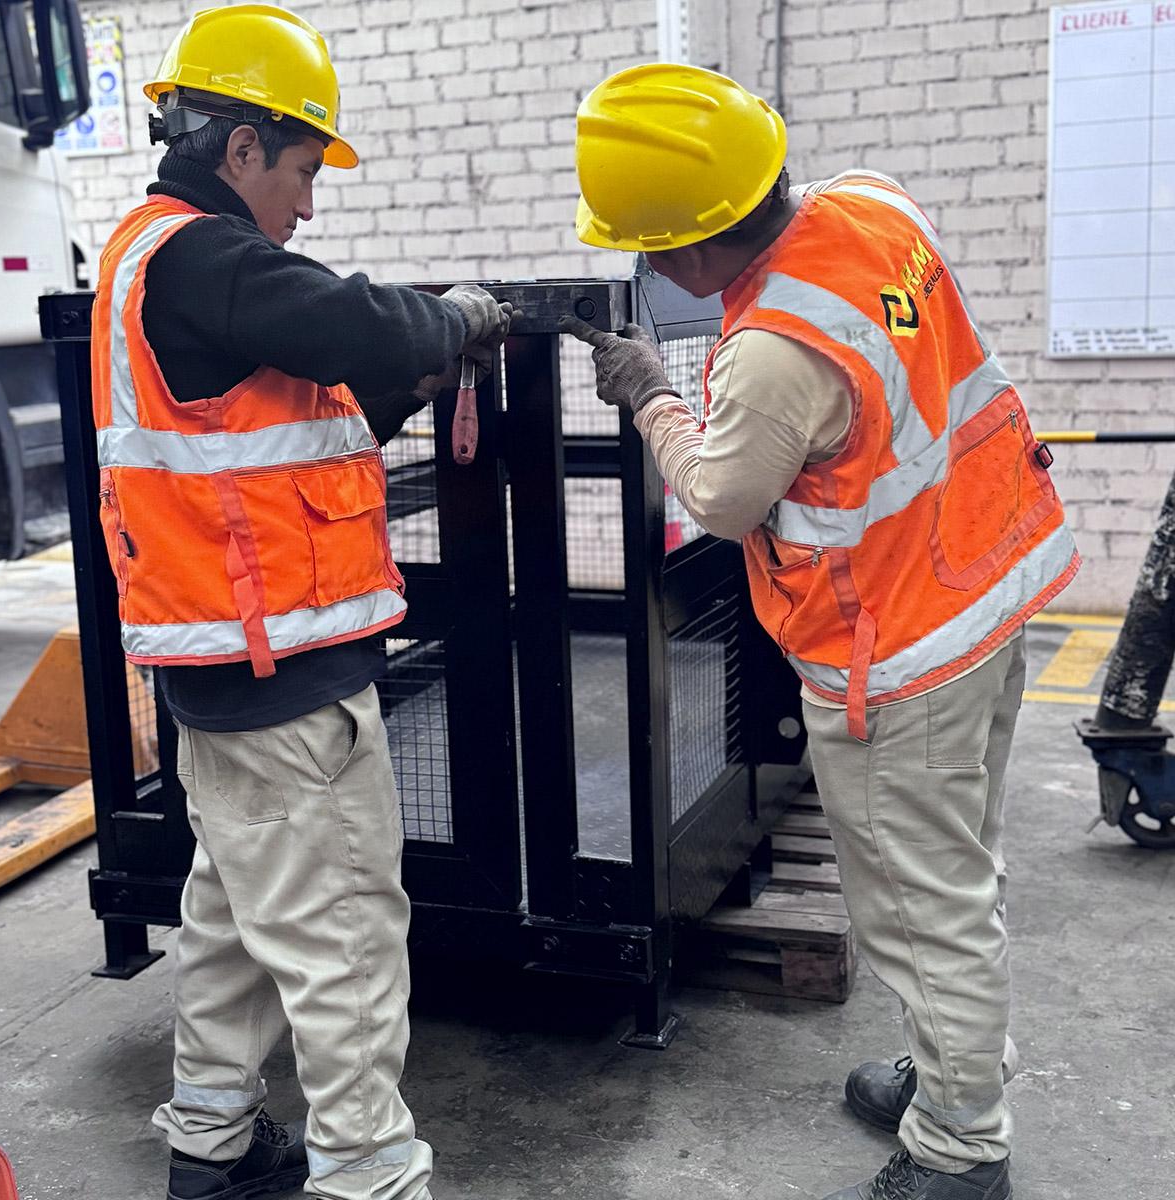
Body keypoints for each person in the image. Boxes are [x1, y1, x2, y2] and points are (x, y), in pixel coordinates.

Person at [562, 63, 1078, 1200]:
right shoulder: (870, 202)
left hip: (903, 651)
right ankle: (951, 1070)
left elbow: (721, 496)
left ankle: (962, 1146)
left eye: (649, 249)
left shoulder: (772, 349)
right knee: (955, 870)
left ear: (690, 242)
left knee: (920, 904)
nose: (651, 271)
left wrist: (650, 394)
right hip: (985, 586)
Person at [90, 7, 513, 1199]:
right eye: (304, 169)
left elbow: (301, 430)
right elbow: (346, 316)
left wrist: (414, 378)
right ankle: (369, 1174)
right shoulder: (202, 258)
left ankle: (212, 1147)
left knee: (233, 918)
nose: (310, 205)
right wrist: (453, 320)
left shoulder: (158, 265)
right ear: (241, 149)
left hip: (227, 669)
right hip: (279, 679)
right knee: (345, 942)